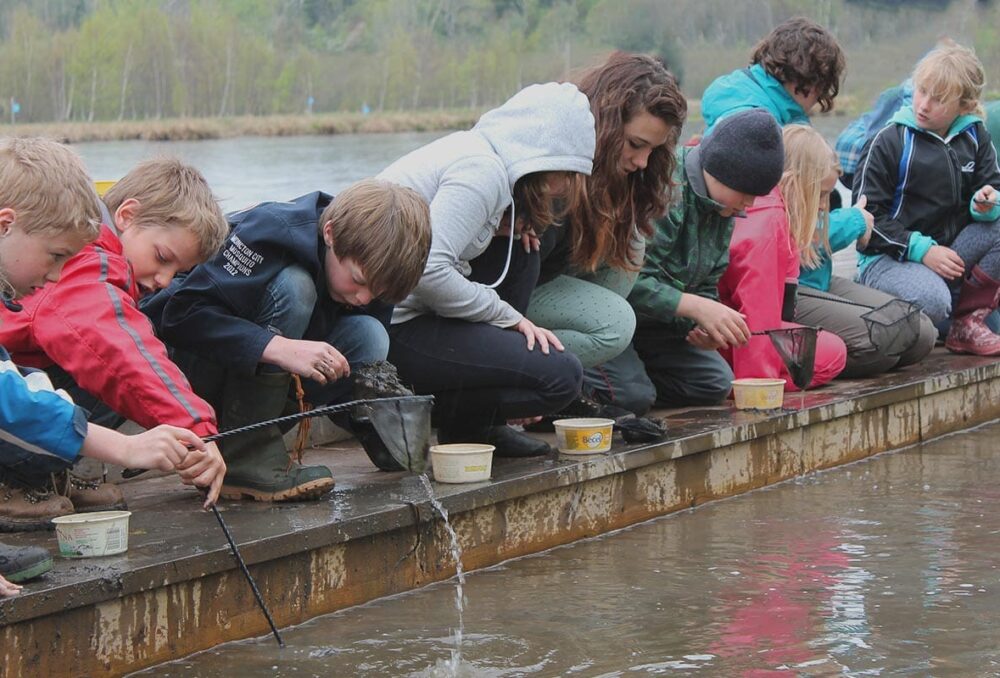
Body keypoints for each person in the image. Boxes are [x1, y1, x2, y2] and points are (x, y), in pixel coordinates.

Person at [0, 138, 222, 596]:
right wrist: (182, 431)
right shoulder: (92, 260)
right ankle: (20, 481)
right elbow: (104, 350)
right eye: (163, 258)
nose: (59, 274)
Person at [156, 179, 432, 501]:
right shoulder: (272, 230)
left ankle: (367, 434)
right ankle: (244, 452)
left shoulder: (376, 272)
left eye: (378, 292)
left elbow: (352, 355)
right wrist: (278, 348)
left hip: (257, 386)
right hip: (187, 366)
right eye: (358, 281)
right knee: (296, 287)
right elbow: (179, 317)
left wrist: (377, 411)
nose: (363, 297)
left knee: (370, 335)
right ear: (330, 234)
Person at [379, 82, 594, 457]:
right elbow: (427, 270)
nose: (566, 187)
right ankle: (404, 412)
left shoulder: (479, 156)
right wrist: (507, 318)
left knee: (522, 254)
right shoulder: (482, 173)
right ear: (544, 154)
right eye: (569, 170)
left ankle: (479, 429)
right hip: (389, 324)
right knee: (561, 379)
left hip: (403, 310)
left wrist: (500, 229)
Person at [522, 52, 687, 416]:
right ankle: (519, 369)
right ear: (605, 123)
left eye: (653, 149)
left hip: (553, 286)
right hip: (511, 300)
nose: (642, 162)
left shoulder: (623, 177)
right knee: (616, 323)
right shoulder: (551, 171)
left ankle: (579, 367)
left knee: (633, 241)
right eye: (635, 144)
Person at [594, 109, 784, 410]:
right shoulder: (667, 193)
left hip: (658, 326)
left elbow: (708, 280)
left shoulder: (723, 207)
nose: (748, 205)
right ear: (723, 171)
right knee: (631, 396)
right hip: (612, 317)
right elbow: (627, 280)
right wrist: (695, 307)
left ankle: (635, 384)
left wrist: (701, 327)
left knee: (713, 384)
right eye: (746, 193)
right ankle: (608, 389)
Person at [854, 42, 1000, 355]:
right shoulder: (888, 140)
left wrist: (985, 203)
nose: (923, 104)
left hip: (949, 257)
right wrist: (921, 250)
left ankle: (966, 321)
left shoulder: (976, 136)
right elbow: (866, 223)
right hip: (891, 258)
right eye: (922, 91)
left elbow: (992, 189)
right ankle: (945, 310)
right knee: (934, 302)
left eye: (938, 99)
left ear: (964, 105)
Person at [781, 126, 937, 377]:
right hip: (793, 293)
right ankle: (810, 356)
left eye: (828, 195)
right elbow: (799, 240)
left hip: (822, 282)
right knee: (879, 343)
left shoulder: (819, 207)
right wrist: (856, 220)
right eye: (819, 195)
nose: (824, 204)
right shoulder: (771, 206)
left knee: (921, 332)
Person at [717, 125, 849, 389]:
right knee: (832, 352)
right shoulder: (770, 222)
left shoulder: (767, 207)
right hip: (725, 337)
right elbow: (757, 315)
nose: (824, 205)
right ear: (795, 181)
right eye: (821, 194)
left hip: (726, 330)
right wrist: (758, 386)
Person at [700, 17, 845, 135]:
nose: (818, 98)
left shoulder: (734, 90)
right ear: (810, 81)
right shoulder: (764, 129)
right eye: (822, 87)